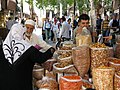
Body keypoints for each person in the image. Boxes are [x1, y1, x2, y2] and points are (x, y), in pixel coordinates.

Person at [0, 23, 55, 90]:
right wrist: (51, 50)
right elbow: (41, 58)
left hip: (4, 84)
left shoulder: (2, 47)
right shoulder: (27, 48)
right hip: (21, 84)